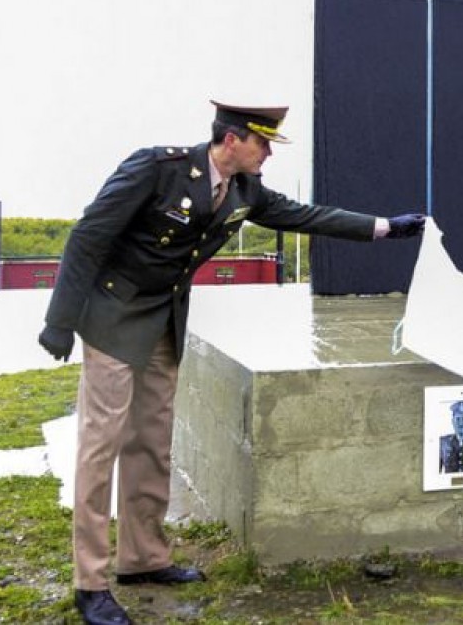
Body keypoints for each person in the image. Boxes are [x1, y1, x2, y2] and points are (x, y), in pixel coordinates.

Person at [38, 101, 426, 625]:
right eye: (263, 142)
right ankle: (91, 582)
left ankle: (143, 558)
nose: (268, 152)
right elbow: (89, 235)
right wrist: (61, 320)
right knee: (99, 447)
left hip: (162, 321)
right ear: (234, 139)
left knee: (151, 442)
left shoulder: (245, 191)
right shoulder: (158, 169)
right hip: (112, 315)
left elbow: (305, 215)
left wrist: (385, 228)